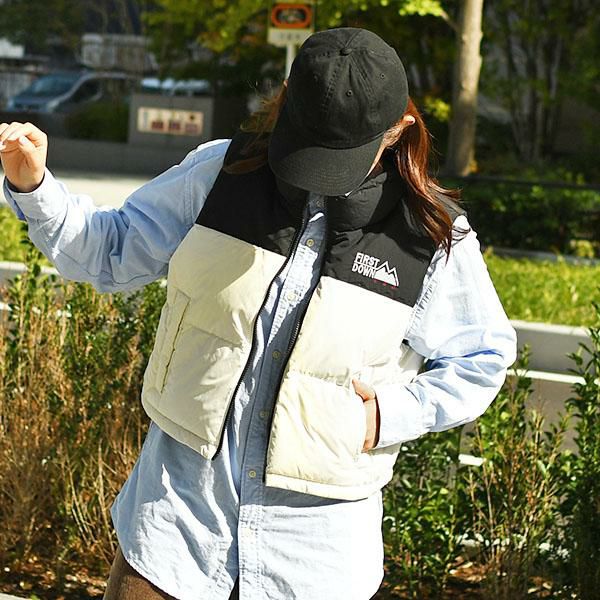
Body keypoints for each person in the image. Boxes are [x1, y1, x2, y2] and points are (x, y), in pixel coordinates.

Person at [0, 27, 516, 600]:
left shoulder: (432, 237)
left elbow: (483, 355)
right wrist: (34, 186)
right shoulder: (218, 174)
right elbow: (113, 250)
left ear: (399, 129)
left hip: (315, 562)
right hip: (175, 533)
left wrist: (390, 415)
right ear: (286, 94)